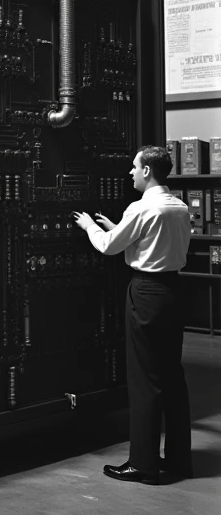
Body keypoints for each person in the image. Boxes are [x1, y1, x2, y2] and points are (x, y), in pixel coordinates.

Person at [74, 145, 192, 484]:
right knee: (172, 377)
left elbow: (109, 246)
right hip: (173, 292)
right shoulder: (178, 207)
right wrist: (119, 226)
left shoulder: (140, 208)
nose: (130, 172)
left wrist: (89, 228)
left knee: (144, 381)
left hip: (146, 293)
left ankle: (142, 463)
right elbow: (151, 240)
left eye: (134, 167)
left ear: (147, 172)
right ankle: (179, 461)